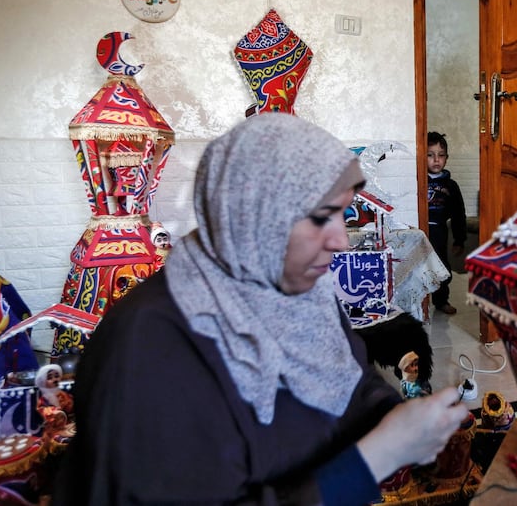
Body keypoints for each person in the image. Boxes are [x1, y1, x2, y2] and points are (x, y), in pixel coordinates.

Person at [53, 113, 469, 505]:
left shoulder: (299, 293)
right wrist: (375, 458)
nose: (341, 240)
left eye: (343, 214)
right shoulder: (151, 343)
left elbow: (353, 381)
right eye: (322, 217)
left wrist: (398, 415)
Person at [427, 131, 467, 315]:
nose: (436, 160)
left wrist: (459, 240)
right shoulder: (418, 181)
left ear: (447, 158)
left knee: (441, 267)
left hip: (439, 231)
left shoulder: (451, 186)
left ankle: (441, 300)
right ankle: (418, 303)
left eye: (441, 155)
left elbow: (459, 214)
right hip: (420, 230)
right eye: (430, 155)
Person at [35, 364, 75, 436]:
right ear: (43, 382)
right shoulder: (43, 399)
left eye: (56, 376)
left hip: (68, 426)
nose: (55, 380)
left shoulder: (64, 394)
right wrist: (56, 412)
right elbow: (45, 411)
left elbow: (71, 407)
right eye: (50, 377)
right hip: (53, 429)